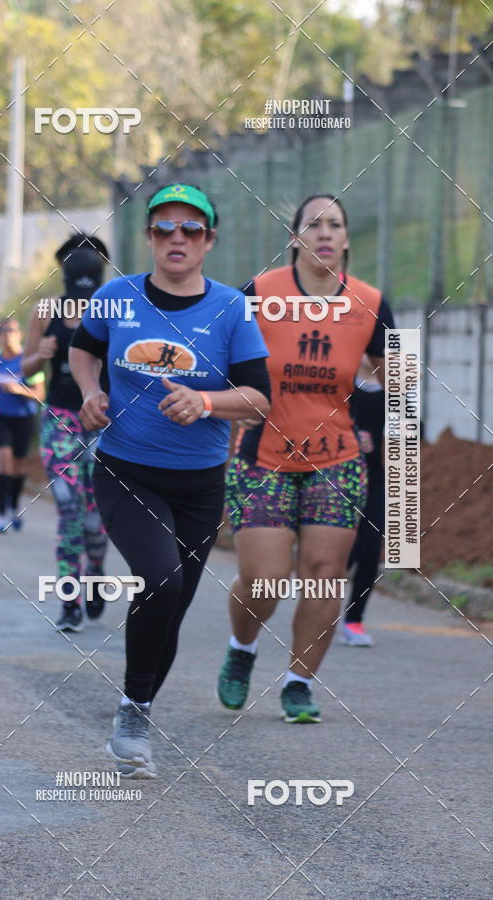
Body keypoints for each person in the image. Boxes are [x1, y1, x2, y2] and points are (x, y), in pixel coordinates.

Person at [69, 183, 271, 778]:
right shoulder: (117, 297)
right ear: (150, 238)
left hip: (201, 484)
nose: (176, 238)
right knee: (159, 578)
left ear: (209, 240)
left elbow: (258, 399)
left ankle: (141, 705)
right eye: (164, 228)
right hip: (127, 469)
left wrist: (207, 403)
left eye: (190, 228)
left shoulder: (232, 309)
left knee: (172, 602)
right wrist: (89, 392)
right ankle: (131, 718)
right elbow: (83, 350)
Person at [217, 193, 394, 723]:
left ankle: (298, 683)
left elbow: (398, 381)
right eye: (312, 224)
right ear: (295, 237)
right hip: (264, 456)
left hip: (336, 460)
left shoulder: (370, 302)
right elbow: (223, 363)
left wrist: (377, 426)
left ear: (345, 241)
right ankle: (242, 649)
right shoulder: (260, 293)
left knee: (324, 573)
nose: (323, 233)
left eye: (334, 225)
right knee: (265, 578)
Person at [22, 234, 111, 629]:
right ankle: (69, 599)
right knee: (68, 508)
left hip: (104, 421)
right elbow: (22, 368)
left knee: (97, 518)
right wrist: (37, 356)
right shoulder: (46, 310)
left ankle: (95, 570)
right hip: (60, 419)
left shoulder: (116, 309)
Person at [340, 355, 386, 647]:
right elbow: (321, 419)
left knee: (370, 548)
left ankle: (354, 620)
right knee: (342, 551)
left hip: (375, 478)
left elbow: (415, 429)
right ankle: (318, 606)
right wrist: (352, 435)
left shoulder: (394, 389)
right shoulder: (341, 383)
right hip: (337, 474)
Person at [0, 319, 45, 532]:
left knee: (18, 466)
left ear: (20, 334)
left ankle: (14, 506)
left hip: (24, 418)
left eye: (12, 330)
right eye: (3, 331)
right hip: (0, 417)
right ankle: (1, 512)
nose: (8, 335)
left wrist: (18, 390)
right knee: (3, 461)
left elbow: (40, 395)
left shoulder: (29, 361)